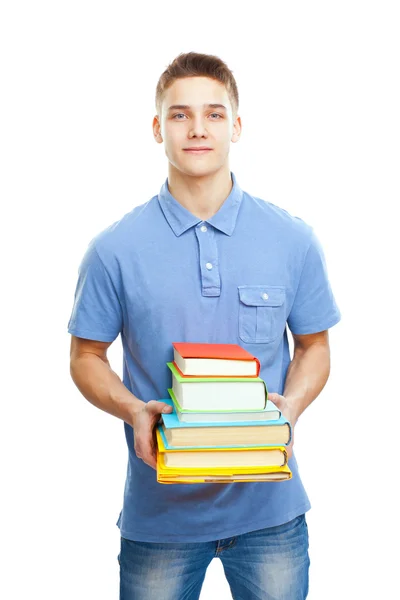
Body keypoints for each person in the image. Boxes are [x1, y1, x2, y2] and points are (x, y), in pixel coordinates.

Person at [68, 51, 341, 600]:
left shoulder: (293, 239)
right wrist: (131, 409)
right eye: (179, 114)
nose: (197, 129)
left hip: (271, 513)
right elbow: (85, 356)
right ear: (156, 127)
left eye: (214, 114)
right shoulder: (113, 250)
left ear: (236, 126)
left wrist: (291, 405)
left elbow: (314, 346)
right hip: (159, 518)